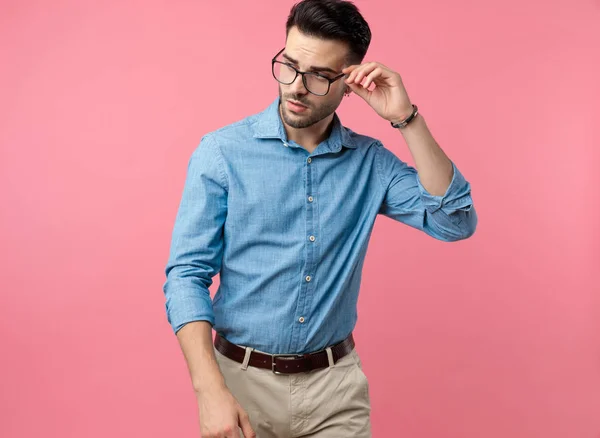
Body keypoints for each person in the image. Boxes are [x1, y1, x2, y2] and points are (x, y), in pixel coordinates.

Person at [163, 0, 477, 436]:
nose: (296, 86)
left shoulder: (371, 164)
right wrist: (209, 390)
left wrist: (406, 119)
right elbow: (186, 275)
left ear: (350, 82)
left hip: (336, 391)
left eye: (319, 76)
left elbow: (455, 220)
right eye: (288, 65)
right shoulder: (221, 154)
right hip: (240, 383)